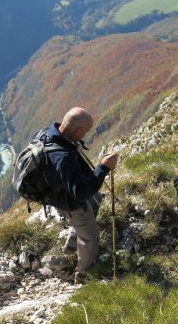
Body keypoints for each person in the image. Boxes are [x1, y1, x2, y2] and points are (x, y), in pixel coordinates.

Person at [38, 107, 118, 283]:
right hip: (70, 204)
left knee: (96, 199)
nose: (85, 135)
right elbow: (80, 194)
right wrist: (103, 168)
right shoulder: (62, 157)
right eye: (85, 132)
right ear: (78, 131)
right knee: (90, 239)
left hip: (61, 191)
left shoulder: (49, 134)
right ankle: (83, 273)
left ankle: (71, 246)